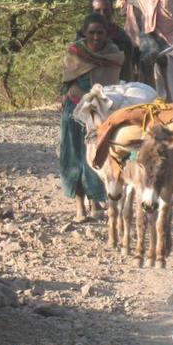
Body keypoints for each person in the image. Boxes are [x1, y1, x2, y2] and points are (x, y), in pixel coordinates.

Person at [60, 13, 124, 222]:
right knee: (76, 157)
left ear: (107, 34)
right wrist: (77, 96)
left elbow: (113, 86)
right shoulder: (75, 52)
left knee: (98, 156)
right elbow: (67, 82)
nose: (96, 37)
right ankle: (80, 206)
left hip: (101, 112)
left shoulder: (114, 54)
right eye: (92, 33)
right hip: (76, 111)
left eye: (100, 33)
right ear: (85, 33)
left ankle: (96, 201)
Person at [76, 0, 135, 81]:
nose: (102, 14)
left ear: (112, 11)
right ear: (91, 12)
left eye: (106, 10)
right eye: (97, 10)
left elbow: (127, 71)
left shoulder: (121, 38)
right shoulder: (81, 36)